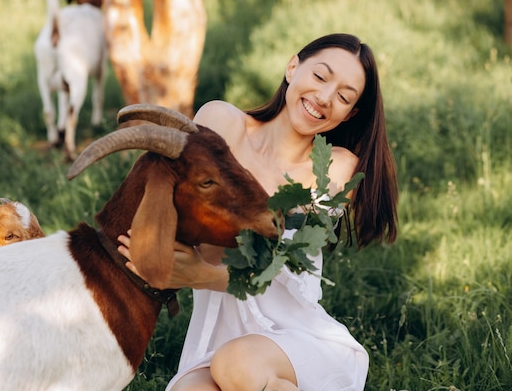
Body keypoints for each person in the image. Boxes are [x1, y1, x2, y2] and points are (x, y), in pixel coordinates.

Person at [118, 33, 398, 391]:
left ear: (350, 113)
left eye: (344, 97)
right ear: (292, 67)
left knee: (237, 365)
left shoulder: (336, 168)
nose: (325, 98)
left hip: (297, 342)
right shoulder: (223, 122)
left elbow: (281, 272)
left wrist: (200, 275)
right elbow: (181, 216)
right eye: (320, 76)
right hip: (219, 336)